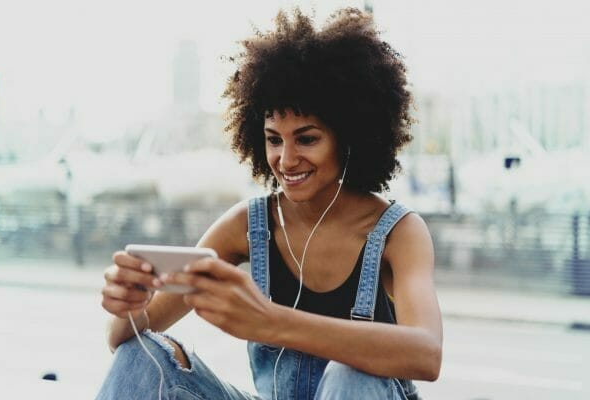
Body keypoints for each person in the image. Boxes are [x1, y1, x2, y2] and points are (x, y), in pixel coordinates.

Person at [97, 7, 442, 400]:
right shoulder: (248, 224)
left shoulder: (398, 231)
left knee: (353, 375)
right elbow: (123, 340)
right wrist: (129, 305)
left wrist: (269, 322)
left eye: (307, 139)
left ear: (349, 138)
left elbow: (427, 354)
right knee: (146, 357)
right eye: (274, 139)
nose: (286, 159)